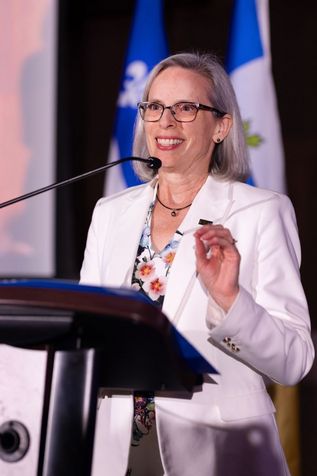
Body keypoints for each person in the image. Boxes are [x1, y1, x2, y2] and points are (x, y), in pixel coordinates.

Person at [80, 52, 314, 476]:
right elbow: (88, 332)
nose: (166, 122)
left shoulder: (260, 211)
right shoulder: (110, 212)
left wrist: (230, 300)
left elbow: (293, 362)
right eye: (154, 107)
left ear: (221, 126)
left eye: (186, 108)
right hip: (112, 452)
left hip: (216, 450)